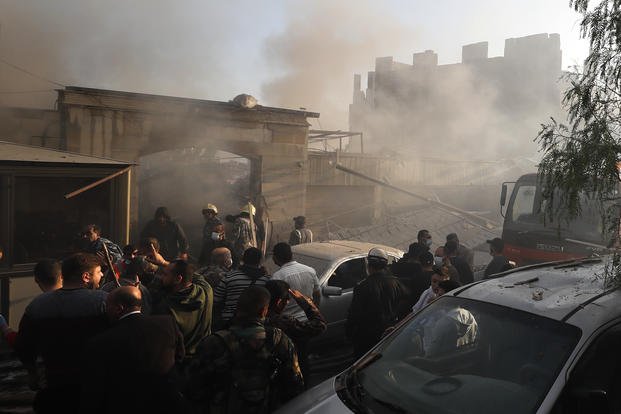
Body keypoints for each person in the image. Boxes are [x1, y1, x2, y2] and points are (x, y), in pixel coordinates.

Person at [15, 253, 108, 414]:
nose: (101, 276)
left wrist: (32, 373)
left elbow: (24, 345)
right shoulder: (104, 301)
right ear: (86, 276)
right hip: (95, 384)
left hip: (55, 384)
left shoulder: (37, 305)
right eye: (99, 272)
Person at [187, 286, 304, 413]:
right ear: (263, 311)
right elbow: (295, 385)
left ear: (237, 308)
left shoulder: (213, 342)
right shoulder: (279, 339)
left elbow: (194, 387)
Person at [79, 286, 188, 414]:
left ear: (119, 308)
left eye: (107, 306)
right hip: (165, 402)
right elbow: (180, 355)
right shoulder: (167, 323)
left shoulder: (101, 342)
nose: (105, 310)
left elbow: (96, 388)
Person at [346, 248, 405, 359]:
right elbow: (403, 304)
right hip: (388, 333)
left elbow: (354, 314)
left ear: (368, 265)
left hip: (366, 335)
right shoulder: (396, 283)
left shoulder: (362, 286)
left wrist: (349, 333)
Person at [265, 280, 326, 384]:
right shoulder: (285, 323)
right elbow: (320, 325)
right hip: (290, 379)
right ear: (279, 302)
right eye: (287, 299)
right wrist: (307, 304)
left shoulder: (250, 321)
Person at [151, 260, 212, 358]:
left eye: (165, 275)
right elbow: (196, 276)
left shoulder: (165, 308)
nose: (161, 278)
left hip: (177, 360)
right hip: (201, 357)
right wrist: (164, 263)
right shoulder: (206, 291)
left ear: (178, 279)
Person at [0, 259, 62, 348]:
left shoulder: (36, 307)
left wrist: (4, 327)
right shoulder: (80, 300)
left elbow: (22, 343)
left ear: (36, 280)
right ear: (61, 277)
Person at [213, 247, 269, 328]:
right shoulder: (266, 280)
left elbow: (216, 299)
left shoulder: (229, 277)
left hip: (229, 322)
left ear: (243, 259)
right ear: (261, 261)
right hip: (256, 323)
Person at [271, 242, 320, 313]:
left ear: (275, 257)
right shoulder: (310, 271)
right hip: (307, 318)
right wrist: (314, 312)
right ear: (291, 255)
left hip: (289, 321)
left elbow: (274, 304)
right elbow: (317, 295)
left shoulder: (277, 277)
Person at [391, 242, 428, 309]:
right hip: (408, 306)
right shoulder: (420, 271)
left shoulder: (398, 265)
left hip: (393, 300)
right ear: (420, 256)